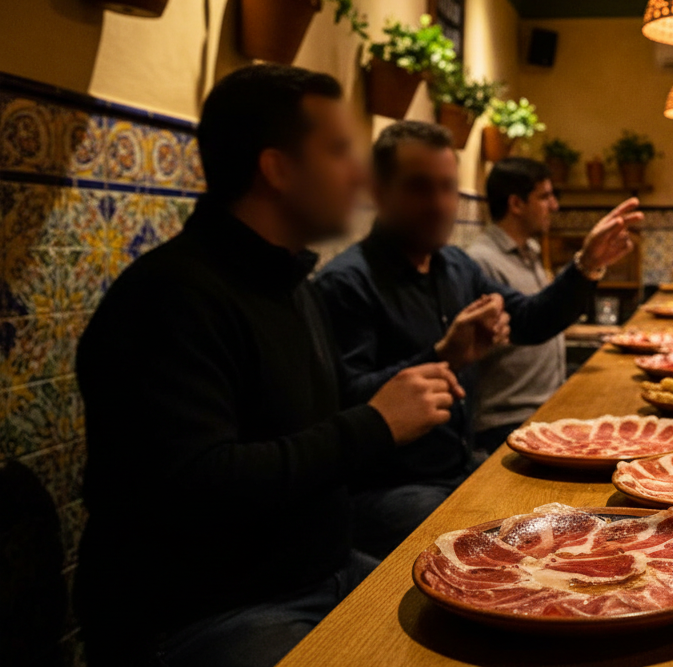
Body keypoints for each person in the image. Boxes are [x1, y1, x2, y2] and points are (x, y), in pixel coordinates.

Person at [75, 66, 465, 667]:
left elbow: (315, 420)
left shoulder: (290, 284)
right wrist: (376, 423)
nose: (360, 175)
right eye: (338, 151)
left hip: (322, 573)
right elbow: (200, 484)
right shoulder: (168, 298)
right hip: (209, 610)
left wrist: (394, 401)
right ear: (278, 169)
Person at [314, 122, 641, 557]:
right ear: (379, 192)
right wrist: (442, 356)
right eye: (419, 187)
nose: (439, 203)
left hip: (459, 465)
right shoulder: (347, 283)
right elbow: (342, 403)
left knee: (574, 520)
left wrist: (586, 265)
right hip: (390, 489)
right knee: (521, 549)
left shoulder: (453, 266)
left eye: (448, 188)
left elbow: (528, 320)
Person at [466, 158, 566, 456]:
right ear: (516, 204)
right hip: (506, 419)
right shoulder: (481, 260)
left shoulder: (531, 251)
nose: (554, 206)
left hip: (544, 409)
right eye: (545, 197)